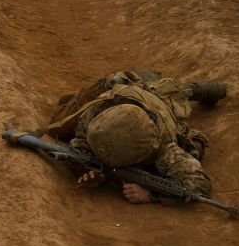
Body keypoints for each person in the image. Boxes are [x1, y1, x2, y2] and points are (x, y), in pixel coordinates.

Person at [45, 70, 227, 205]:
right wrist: (85, 167)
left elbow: (199, 184)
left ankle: (193, 90)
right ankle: (77, 99)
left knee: (175, 96)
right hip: (124, 83)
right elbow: (78, 147)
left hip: (159, 94)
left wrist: (150, 195)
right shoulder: (94, 115)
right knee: (59, 126)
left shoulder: (163, 147)